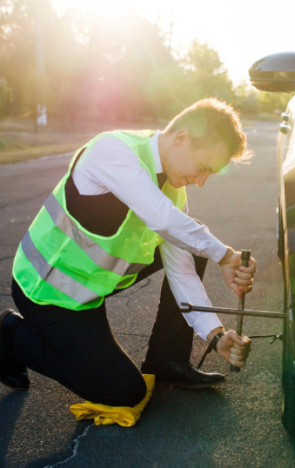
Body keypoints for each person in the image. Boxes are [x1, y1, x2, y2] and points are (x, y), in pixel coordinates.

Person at [0, 98, 256, 409]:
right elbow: (161, 217)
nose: (201, 182)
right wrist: (225, 255)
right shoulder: (112, 150)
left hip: (88, 292)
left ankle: (167, 362)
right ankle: (11, 334)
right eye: (203, 168)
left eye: (210, 175)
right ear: (181, 138)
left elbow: (182, 272)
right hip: (46, 293)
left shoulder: (174, 191)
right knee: (123, 394)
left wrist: (215, 335)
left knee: (190, 241)